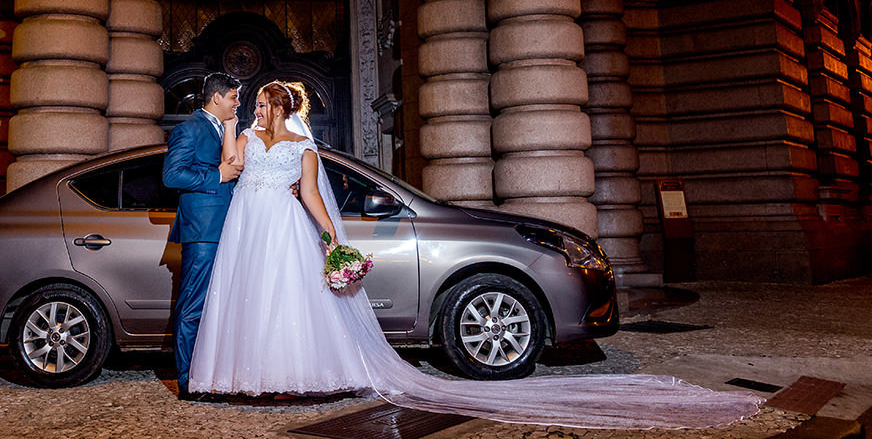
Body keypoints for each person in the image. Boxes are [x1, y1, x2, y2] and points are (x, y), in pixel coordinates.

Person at [187, 80, 764, 430]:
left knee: (286, 299)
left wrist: (332, 237)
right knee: (248, 298)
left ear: (281, 107)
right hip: (249, 226)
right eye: (255, 103)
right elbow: (227, 172)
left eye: (263, 103)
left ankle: (288, 374)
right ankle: (250, 375)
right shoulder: (243, 137)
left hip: (281, 226)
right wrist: (232, 133)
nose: (258, 108)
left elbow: (314, 196)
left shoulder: (304, 147)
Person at [162, 72, 242, 401]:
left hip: (226, 229)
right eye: (234, 97)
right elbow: (172, 174)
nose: (238, 103)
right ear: (217, 98)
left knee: (217, 306)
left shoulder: (221, 129)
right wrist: (217, 175)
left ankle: (210, 374)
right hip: (203, 231)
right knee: (193, 306)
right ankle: (188, 381)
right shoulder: (189, 129)